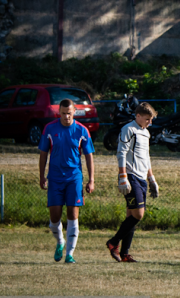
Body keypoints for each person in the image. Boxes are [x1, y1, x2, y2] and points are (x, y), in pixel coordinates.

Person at [38, 98, 95, 264]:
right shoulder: (49, 129)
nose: (66, 117)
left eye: (69, 113)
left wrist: (91, 180)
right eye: (63, 113)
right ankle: (60, 242)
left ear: (74, 112)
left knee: (72, 214)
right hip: (55, 178)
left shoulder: (82, 131)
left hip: (74, 177)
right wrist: (42, 176)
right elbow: (43, 154)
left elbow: (89, 156)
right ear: (59, 112)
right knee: (54, 217)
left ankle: (70, 253)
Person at [106, 102, 160, 263]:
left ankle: (124, 254)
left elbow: (146, 157)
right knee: (138, 214)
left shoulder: (146, 132)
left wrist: (151, 179)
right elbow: (121, 153)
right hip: (131, 176)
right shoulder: (128, 129)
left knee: (131, 215)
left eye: (151, 120)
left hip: (142, 178)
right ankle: (113, 242)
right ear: (138, 116)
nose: (149, 122)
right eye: (147, 119)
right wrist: (122, 176)